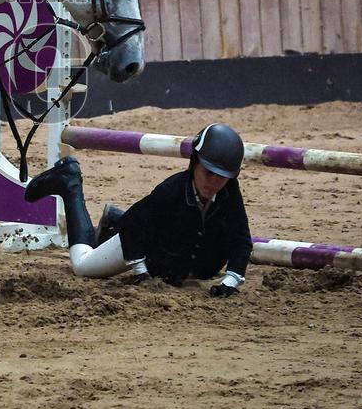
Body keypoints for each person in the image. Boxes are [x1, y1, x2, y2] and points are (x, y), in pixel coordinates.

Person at [25, 122, 252, 297]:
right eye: (208, 173)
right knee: (83, 266)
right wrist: (140, 271)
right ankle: (70, 184)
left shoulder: (229, 192)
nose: (213, 183)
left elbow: (241, 238)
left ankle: (114, 219)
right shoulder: (170, 191)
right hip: (140, 241)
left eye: (222, 178)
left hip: (170, 250)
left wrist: (230, 281)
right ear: (194, 163)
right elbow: (132, 226)